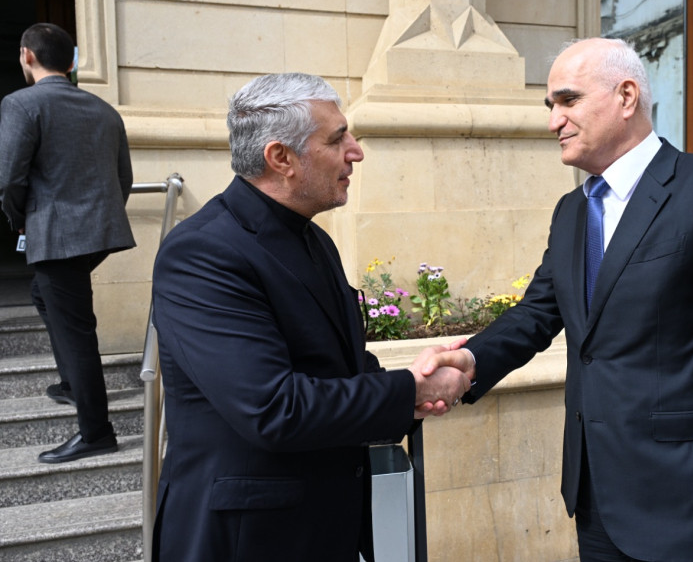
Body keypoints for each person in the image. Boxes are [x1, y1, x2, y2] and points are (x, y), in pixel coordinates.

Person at [448, 38, 693, 561]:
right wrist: (468, 362)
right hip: (597, 498)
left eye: (568, 100)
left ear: (626, 97)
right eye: (550, 106)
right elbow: (539, 311)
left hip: (691, 505)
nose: (553, 121)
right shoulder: (572, 211)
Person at [149, 72, 474, 562]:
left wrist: (419, 382)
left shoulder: (314, 237)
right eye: (337, 139)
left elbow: (337, 368)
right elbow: (272, 409)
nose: (356, 152)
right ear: (281, 158)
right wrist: (411, 389)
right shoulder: (202, 252)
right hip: (245, 540)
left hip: (323, 527)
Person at [0, 22, 135, 464]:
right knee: (47, 295)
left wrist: (21, 222)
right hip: (99, 233)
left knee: (76, 329)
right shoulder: (104, 109)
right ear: (72, 61)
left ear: (27, 55)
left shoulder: (21, 103)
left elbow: (9, 179)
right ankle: (72, 383)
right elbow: (124, 178)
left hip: (57, 234)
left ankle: (96, 431)